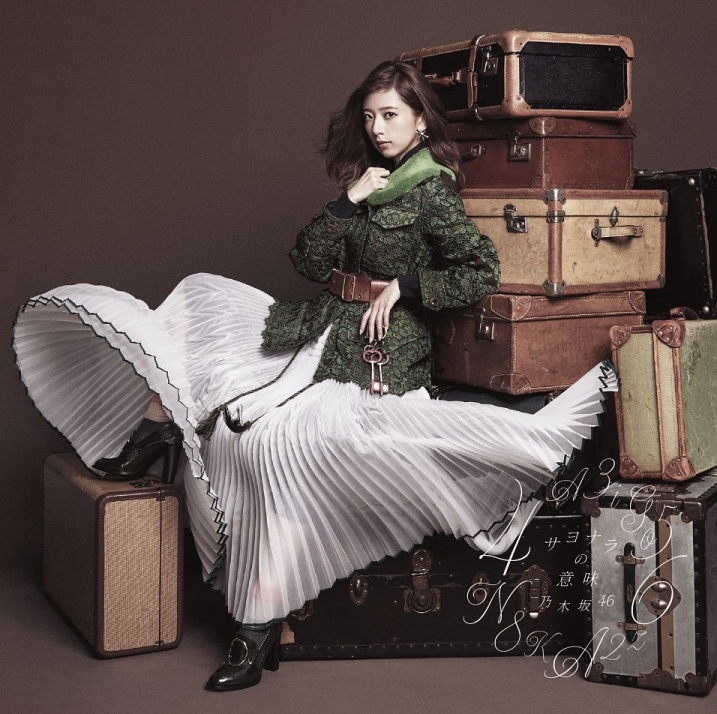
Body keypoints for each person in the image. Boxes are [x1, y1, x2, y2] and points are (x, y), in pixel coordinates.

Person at [12, 61, 616, 691]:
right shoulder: (367, 182)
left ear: (419, 121)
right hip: (321, 326)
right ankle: (154, 429)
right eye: (370, 117)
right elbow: (306, 258)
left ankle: (256, 625)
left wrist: (406, 287)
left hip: (379, 351)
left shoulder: (433, 189)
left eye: (391, 115)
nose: (378, 128)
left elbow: (479, 270)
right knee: (200, 308)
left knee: (271, 445)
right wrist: (346, 202)